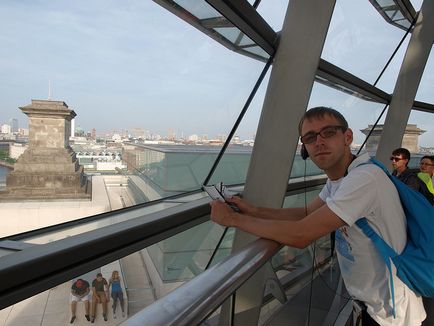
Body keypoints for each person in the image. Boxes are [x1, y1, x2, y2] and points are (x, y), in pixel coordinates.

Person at [210, 106, 426, 325]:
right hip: (369, 305)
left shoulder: (364, 179)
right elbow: (305, 214)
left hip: (391, 314)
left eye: (329, 132)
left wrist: (232, 219)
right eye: (310, 137)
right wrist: (253, 210)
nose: (319, 142)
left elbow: (301, 235)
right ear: (305, 148)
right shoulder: (340, 179)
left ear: (347, 137)